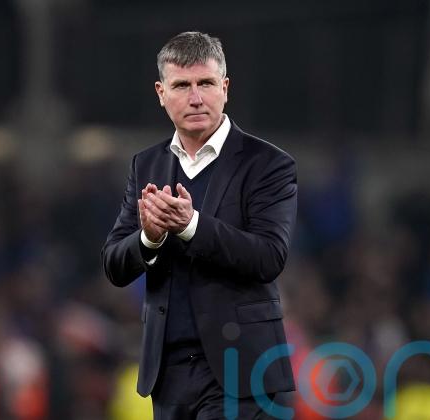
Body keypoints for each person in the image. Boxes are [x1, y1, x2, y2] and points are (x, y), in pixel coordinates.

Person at [102, 31, 297, 419]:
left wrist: (191, 225)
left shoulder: (268, 164)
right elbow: (114, 264)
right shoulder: (146, 164)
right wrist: (149, 238)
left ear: (225, 88)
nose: (195, 98)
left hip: (241, 371)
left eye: (205, 83)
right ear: (161, 93)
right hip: (169, 373)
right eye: (181, 86)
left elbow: (269, 256)